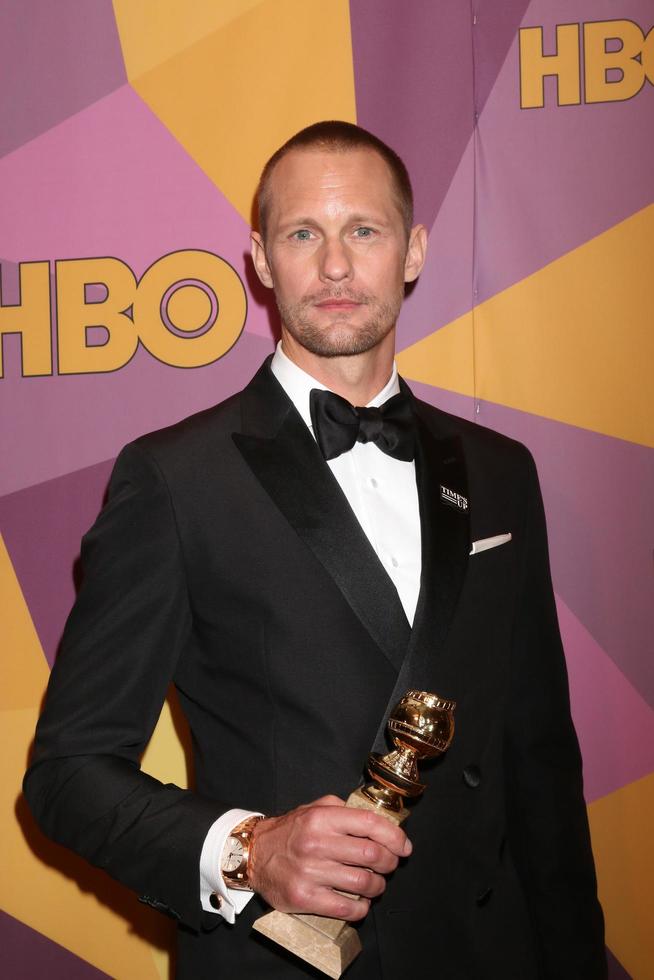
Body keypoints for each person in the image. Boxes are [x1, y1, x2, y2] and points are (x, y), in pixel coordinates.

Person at [23, 121, 606, 979]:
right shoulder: (174, 478)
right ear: (261, 259)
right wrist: (248, 850)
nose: (335, 266)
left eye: (362, 231)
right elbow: (69, 774)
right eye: (304, 234)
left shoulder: (501, 471)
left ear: (412, 251)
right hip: (286, 962)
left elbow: (541, 765)